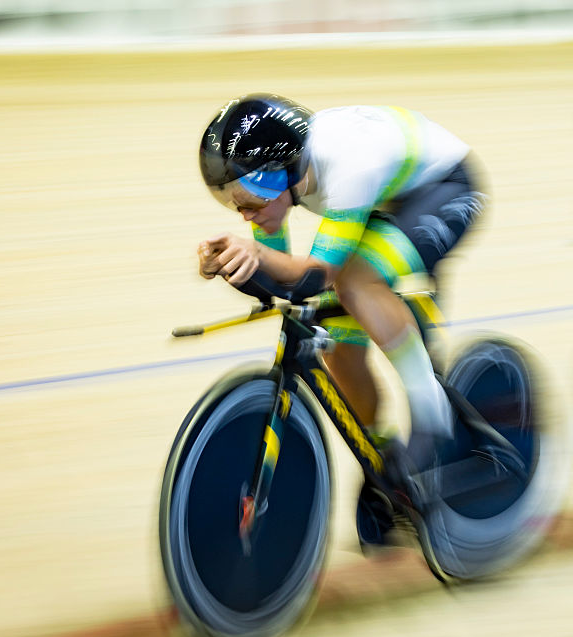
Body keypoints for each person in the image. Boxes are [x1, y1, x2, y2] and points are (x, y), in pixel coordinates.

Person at [195, 93, 485, 542]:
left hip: (444, 187)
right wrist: (236, 268)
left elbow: (312, 276)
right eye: (234, 202)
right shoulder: (273, 183)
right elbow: (283, 286)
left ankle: (433, 411)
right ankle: (383, 459)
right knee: (341, 348)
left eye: (251, 199)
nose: (245, 212)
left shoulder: (348, 165)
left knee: (352, 283)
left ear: (285, 171)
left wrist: (258, 257)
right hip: (385, 202)